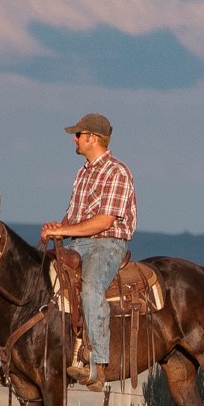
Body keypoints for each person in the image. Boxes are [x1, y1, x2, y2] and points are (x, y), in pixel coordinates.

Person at [41, 113, 137, 391]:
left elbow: (104, 221)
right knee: (42, 281)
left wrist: (65, 230)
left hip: (107, 243)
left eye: (78, 135)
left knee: (91, 287)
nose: (75, 139)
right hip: (78, 243)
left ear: (93, 138)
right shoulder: (82, 173)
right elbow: (74, 217)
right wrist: (57, 229)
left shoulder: (117, 172)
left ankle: (98, 364)